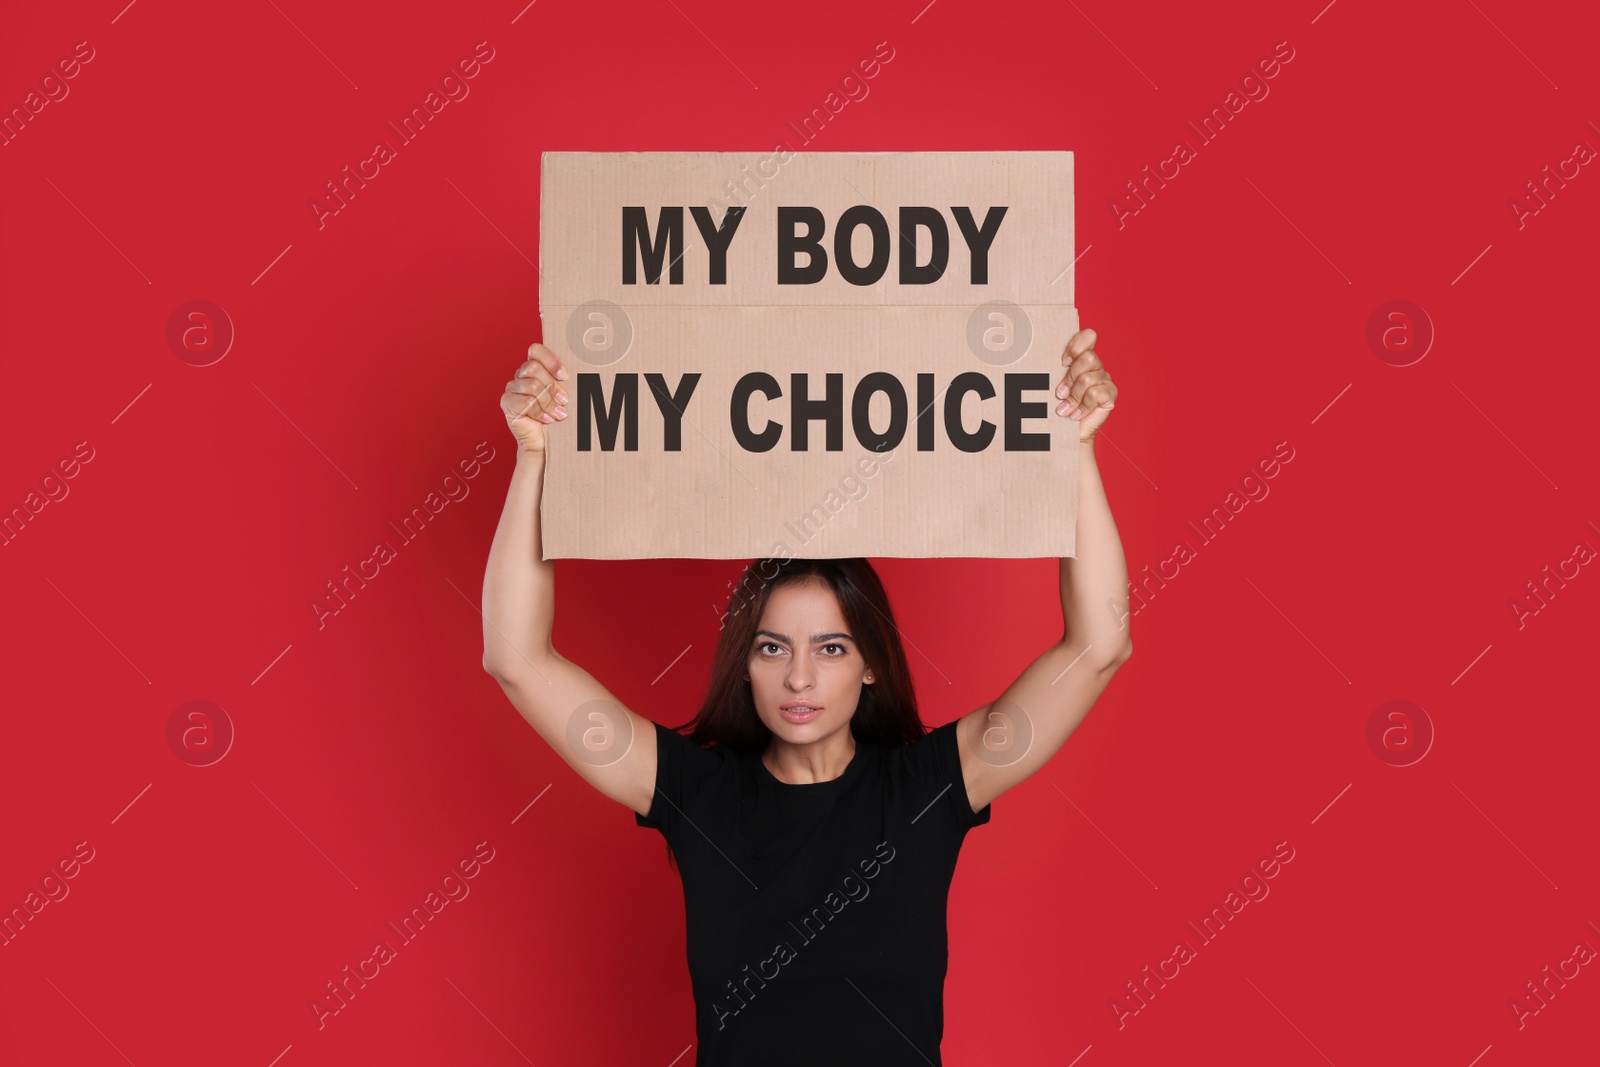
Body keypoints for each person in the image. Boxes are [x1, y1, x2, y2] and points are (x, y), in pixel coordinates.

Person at [481, 330, 1129, 1065]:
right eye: (771, 647)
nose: (799, 678)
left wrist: (1076, 449)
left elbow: (1096, 646)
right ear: (745, 665)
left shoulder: (924, 789)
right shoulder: (699, 792)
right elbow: (516, 657)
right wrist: (533, 456)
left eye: (830, 648)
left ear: (871, 665)